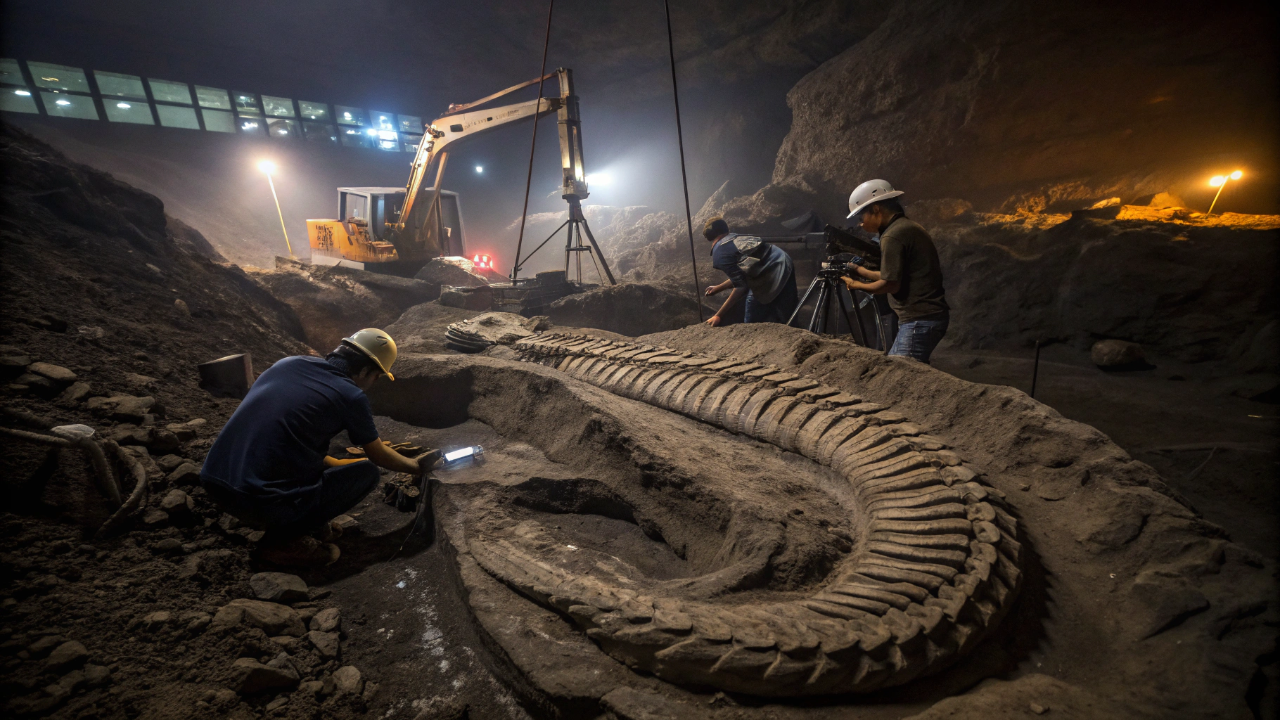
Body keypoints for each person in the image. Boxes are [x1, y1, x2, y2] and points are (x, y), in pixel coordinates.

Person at [200, 328, 425, 567]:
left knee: (327, 469)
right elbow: (377, 454)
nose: (375, 382)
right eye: (377, 376)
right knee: (367, 474)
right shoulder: (350, 395)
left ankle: (306, 521)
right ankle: (283, 542)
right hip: (256, 500)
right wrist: (416, 467)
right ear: (366, 370)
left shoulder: (287, 364)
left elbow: (288, 439)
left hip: (214, 482)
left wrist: (336, 464)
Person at [841, 180, 950, 363]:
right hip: (925, 317)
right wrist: (860, 271)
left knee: (900, 372)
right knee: (911, 373)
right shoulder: (904, 227)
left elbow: (890, 284)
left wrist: (856, 285)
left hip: (919, 320)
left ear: (876, 209)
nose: (861, 224)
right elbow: (893, 274)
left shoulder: (892, 235)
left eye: (861, 218)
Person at [703, 217, 798, 326]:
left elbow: (741, 286)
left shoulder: (720, 253)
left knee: (751, 317)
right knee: (788, 314)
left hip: (769, 272)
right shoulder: (735, 237)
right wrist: (719, 288)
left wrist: (718, 315)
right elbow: (743, 274)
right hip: (783, 261)